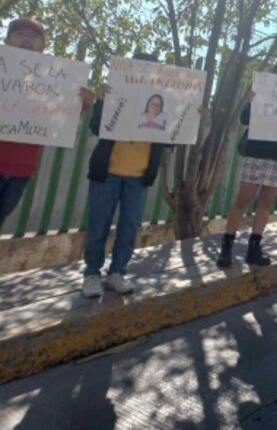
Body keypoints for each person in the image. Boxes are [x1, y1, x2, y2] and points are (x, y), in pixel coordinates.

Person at [82, 52, 169, 298]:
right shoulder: (115, 93)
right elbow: (96, 127)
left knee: (129, 227)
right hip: (107, 171)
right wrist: (101, 100)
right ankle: (91, 274)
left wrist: (190, 118)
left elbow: (172, 139)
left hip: (139, 176)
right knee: (98, 224)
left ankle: (117, 272)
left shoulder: (161, 102)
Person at [1, 16, 95, 225]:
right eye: (20, 35)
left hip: (21, 172)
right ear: (7, 41)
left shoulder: (50, 83)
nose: (27, 40)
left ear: (42, 47)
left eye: (34, 37)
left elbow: (56, 123)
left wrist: (80, 104)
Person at [217, 60, 277, 268]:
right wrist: (251, 101)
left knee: (266, 202)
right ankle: (226, 247)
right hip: (255, 151)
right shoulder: (260, 93)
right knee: (242, 199)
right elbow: (245, 119)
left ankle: (254, 248)